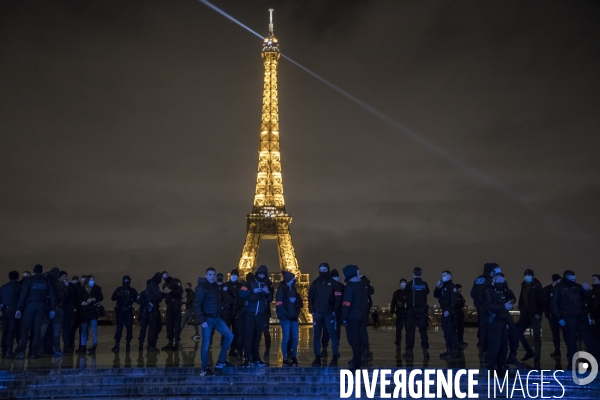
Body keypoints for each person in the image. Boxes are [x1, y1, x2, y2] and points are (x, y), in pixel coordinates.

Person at [551, 270, 599, 369]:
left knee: (588, 340)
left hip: (580, 317)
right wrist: (559, 318)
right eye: (572, 279)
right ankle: (572, 363)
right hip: (568, 318)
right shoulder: (559, 288)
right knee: (571, 342)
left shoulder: (576, 287)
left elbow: (587, 297)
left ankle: (595, 361)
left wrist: (587, 290)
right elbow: (554, 304)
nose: (574, 280)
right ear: (567, 278)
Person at [194, 267, 234, 376]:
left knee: (229, 336)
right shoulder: (201, 287)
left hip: (216, 318)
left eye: (213, 274)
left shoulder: (216, 287)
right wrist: (202, 321)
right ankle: (204, 368)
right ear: (206, 276)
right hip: (207, 319)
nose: (212, 276)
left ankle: (221, 361)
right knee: (206, 343)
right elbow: (196, 305)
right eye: (210, 274)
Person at [14, 264, 55, 359]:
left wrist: (19, 308)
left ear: (34, 271)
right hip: (41, 306)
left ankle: (21, 351)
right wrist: (52, 308)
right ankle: (33, 352)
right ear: (41, 271)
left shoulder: (29, 280)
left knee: (25, 329)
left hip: (30, 305)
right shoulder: (46, 281)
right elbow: (52, 295)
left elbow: (23, 295)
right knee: (37, 330)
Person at [307, 263, 342, 367]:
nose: (322, 271)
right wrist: (312, 311)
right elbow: (310, 297)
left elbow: (338, 299)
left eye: (324, 269)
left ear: (328, 269)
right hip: (318, 313)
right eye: (321, 269)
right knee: (317, 336)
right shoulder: (316, 283)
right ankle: (317, 357)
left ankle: (334, 357)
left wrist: (333, 311)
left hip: (328, 314)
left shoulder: (331, 283)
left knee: (332, 336)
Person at [238, 265, 272, 367]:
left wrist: (267, 292)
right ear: (257, 274)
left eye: (263, 274)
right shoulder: (249, 284)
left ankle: (256, 358)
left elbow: (269, 300)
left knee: (257, 338)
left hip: (260, 315)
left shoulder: (267, 286)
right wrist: (253, 291)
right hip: (249, 314)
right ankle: (247, 358)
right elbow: (241, 293)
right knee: (248, 336)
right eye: (260, 274)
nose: (261, 276)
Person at [483, 272, 513, 371]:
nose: (501, 283)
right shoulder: (488, 291)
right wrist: (503, 307)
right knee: (495, 346)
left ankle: (502, 366)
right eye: (499, 281)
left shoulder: (503, 290)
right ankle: (491, 366)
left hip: (504, 321)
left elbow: (511, 297)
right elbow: (487, 306)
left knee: (504, 346)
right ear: (494, 280)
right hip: (494, 321)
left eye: (502, 281)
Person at [341, 265, 368, 370]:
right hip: (361, 316)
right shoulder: (362, 285)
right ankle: (358, 360)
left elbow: (347, 303)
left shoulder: (350, 287)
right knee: (359, 339)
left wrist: (343, 317)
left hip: (352, 317)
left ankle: (356, 363)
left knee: (353, 340)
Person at [516, 269, 545, 363]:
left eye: (528, 275)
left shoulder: (537, 286)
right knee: (519, 333)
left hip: (534, 314)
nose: (527, 277)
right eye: (526, 275)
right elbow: (522, 299)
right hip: (525, 314)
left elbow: (543, 301)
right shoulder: (524, 285)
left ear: (532, 276)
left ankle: (537, 356)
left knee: (536, 335)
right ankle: (529, 351)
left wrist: (538, 313)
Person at [470, 263, 499, 353]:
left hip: (481, 307)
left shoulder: (478, 279)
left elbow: (472, 293)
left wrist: (478, 303)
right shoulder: (491, 280)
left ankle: (482, 346)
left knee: (482, 326)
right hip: (489, 307)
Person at [402, 267, 430, 361]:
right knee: (423, 332)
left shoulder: (410, 284)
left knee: (410, 332)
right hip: (422, 311)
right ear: (421, 274)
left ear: (413, 274)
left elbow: (404, 295)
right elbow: (427, 292)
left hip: (412, 310)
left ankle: (409, 351)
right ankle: (425, 351)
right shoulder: (424, 284)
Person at [276, 270, 302, 367]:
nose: (295, 280)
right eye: (293, 278)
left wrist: (296, 311)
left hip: (293, 317)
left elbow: (298, 302)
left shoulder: (294, 290)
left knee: (295, 338)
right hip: (286, 318)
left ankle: (293, 357)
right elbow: (279, 304)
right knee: (286, 338)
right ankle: (285, 359)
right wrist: (287, 314)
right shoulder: (281, 290)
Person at [434, 270, 460, 360]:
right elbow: (435, 295)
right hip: (444, 311)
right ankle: (449, 350)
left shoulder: (452, 287)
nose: (442, 277)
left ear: (449, 276)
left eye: (444, 275)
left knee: (452, 332)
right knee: (446, 333)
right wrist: (437, 286)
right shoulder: (443, 287)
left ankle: (456, 351)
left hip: (450, 313)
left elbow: (454, 300)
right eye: (442, 275)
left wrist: (449, 310)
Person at [76, 275, 103, 354]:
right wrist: (82, 303)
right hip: (84, 312)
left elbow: (101, 297)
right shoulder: (81, 289)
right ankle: (83, 346)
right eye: (91, 280)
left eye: (93, 280)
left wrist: (93, 299)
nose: (92, 281)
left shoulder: (97, 288)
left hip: (93, 311)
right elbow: (77, 299)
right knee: (84, 330)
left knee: (94, 330)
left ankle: (94, 346)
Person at [111, 275, 138, 353]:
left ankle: (124, 345)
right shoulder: (122, 290)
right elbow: (113, 298)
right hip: (122, 311)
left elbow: (137, 299)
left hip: (125, 311)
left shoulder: (130, 290)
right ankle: (121, 345)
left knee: (125, 328)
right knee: (122, 329)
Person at [47, 267, 68, 357]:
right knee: (56, 331)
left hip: (46, 309)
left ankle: (43, 349)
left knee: (44, 331)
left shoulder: (46, 282)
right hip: (57, 309)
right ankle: (57, 349)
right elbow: (66, 295)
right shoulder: (60, 284)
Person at [0, 271, 21, 358]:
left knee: (5, 331)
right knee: (11, 331)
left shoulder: (3, 287)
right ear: (17, 277)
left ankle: (3, 351)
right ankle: (9, 350)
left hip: (5, 310)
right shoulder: (18, 287)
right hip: (14, 310)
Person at [161, 271, 183, 351]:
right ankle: (170, 342)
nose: (165, 277)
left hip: (176, 304)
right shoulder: (164, 285)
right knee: (169, 324)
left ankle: (176, 342)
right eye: (163, 276)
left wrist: (171, 291)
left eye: (165, 275)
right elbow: (164, 295)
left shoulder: (176, 281)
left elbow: (180, 292)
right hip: (169, 305)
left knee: (177, 323)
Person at [222, 269, 242, 356]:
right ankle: (225, 348)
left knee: (236, 331)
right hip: (228, 311)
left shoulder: (240, 286)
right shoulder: (226, 285)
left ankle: (233, 348)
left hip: (236, 311)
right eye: (233, 275)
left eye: (235, 275)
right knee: (226, 331)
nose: (234, 276)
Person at [544, 274, 562, 358]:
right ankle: (558, 350)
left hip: (552, 315)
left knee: (555, 333)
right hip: (557, 314)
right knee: (559, 333)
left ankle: (557, 350)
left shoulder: (547, 289)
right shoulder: (559, 289)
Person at [145, 273, 164, 353]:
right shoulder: (153, 285)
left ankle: (152, 345)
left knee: (156, 326)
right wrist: (164, 294)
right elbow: (159, 296)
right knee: (154, 327)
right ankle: (151, 345)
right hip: (153, 308)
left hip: (153, 307)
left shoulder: (152, 285)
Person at [390, 278, 407, 352]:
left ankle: (408, 342)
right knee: (398, 329)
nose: (403, 284)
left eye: (404, 283)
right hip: (399, 312)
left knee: (408, 329)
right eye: (402, 283)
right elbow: (393, 303)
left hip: (407, 313)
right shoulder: (397, 293)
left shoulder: (409, 292)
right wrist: (393, 312)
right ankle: (398, 341)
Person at [590, 274, 600, 349]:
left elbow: (594, 306)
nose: (592, 281)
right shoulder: (593, 291)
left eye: (594, 279)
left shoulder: (594, 292)